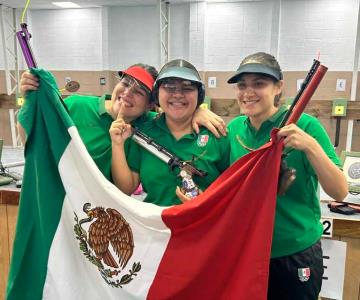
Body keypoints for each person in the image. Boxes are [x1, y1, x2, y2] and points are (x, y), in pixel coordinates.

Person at [226, 52, 348, 299]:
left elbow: (339, 191)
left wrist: (310, 146)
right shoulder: (233, 129)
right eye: (242, 85)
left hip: (295, 252)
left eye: (259, 84)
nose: (248, 92)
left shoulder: (306, 126)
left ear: (278, 87)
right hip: (248, 250)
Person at [18, 64, 227, 181]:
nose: (127, 93)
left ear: (150, 105)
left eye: (138, 92)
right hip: (57, 194)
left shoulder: (145, 127)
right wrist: (30, 100)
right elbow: (31, 137)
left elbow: (174, 114)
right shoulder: (75, 106)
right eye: (126, 83)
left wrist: (196, 110)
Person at [110, 59, 230, 206]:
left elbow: (233, 189)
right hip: (156, 224)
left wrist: (208, 201)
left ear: (199, 95)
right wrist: (117, 144)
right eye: (169, 87)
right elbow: (126, 188)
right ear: (156, 95)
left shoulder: (216, 134)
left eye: (187, 88)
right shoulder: (144, 133)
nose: (178, 94)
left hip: (204, 224)